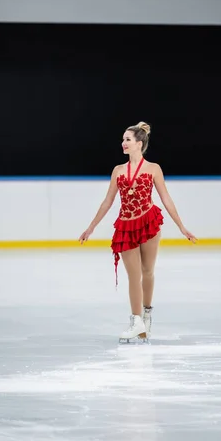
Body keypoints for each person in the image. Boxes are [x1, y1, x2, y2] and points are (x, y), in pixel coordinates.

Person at [79, 121, 197, 343]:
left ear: (139, 143)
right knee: (133, 275)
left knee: (147, 271)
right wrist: (91, 227)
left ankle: (147, 314)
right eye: (123, 139)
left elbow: (166, 198)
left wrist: (181, 226)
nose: (123, 143)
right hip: (126, 226)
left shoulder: (153, 169)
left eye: (127, 139)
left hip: (148, 222)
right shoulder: (118, 171)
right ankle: (136, 322)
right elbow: (107, 201)